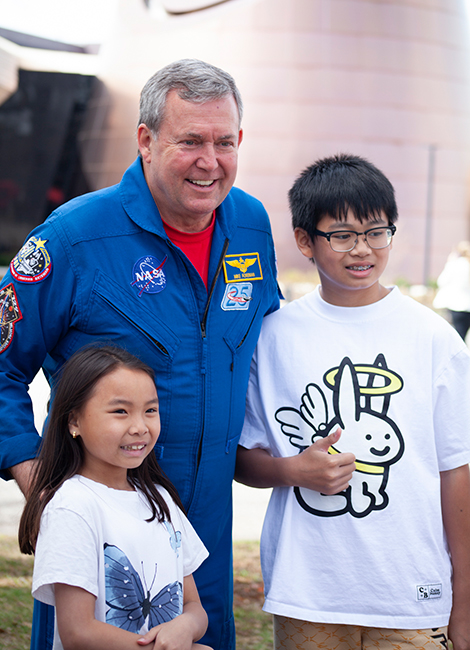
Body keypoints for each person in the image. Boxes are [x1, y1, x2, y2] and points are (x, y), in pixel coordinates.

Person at [0, 58, 289, 650]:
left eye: (225, 142)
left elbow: (269, 350)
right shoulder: (74, 237)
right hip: (101, 545)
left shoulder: (252, 226)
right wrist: (44, 488)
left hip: (202, 538)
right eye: (190, 141)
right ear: (146, 140)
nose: (210, 161)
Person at [235, 154, 470, 650]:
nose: (362, 249)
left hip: (412, 595)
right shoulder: (274, 337)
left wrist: (464, 597)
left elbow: (456, 472)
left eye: (376, 231)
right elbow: (242, 458)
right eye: (341, 235)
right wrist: (296, 470)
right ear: (305, 240)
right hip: (309, 593)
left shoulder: (434, 338)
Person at [19, 345, 211, 650]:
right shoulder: (72, 507)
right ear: (73, 422)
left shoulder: (161, 500)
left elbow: (195, 609)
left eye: (150, 410)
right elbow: (78, 632)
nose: (139, 427)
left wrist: (186, 628)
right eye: (120, 411)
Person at [433, 240, 470, 342]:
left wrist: (449, 262)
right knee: (463, 335)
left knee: (457, 337)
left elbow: (441, 281)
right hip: (468, 307)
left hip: (456, 305)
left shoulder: (454, 265)